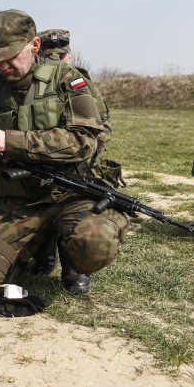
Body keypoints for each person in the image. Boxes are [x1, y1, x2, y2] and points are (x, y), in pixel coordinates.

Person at [0, 9, 127, 316]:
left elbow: (84, 141)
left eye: (11, 56)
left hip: (70, 196)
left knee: (94, 243)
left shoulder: (68, 80)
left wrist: (11, 141)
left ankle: (70, 255)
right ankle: (35, 243)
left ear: (35, 46)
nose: (4, 66)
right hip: (17, 203)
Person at [30, 28, 119, 292]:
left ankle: (72, 268)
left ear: (68, 56)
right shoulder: (32, 85)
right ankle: (43, 255)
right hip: (38, 164)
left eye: (61, 55)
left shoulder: (81, 83)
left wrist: (81, 151)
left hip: (77, 168)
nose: (57, 60)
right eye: (50, 56)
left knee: (75, 210)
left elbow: (103, 128)